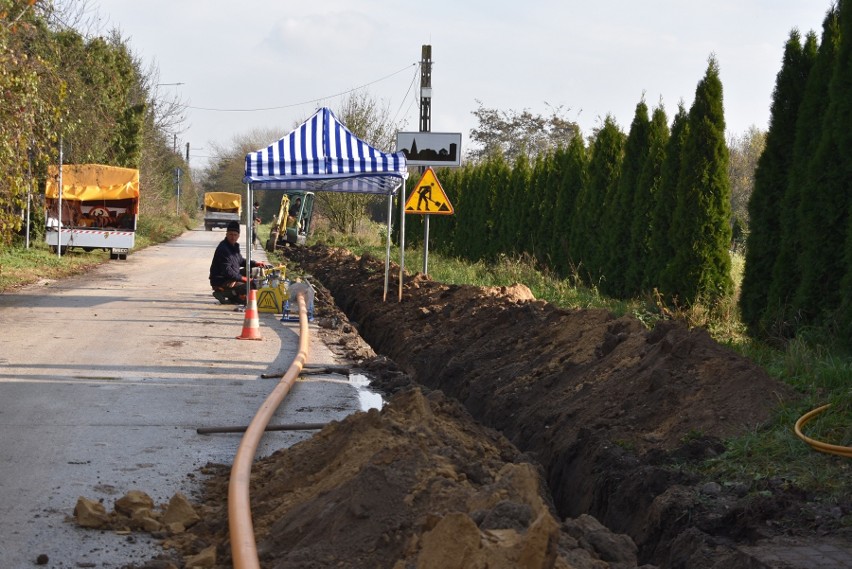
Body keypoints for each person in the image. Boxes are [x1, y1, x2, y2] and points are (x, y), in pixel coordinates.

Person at [209, 220, 268, 305]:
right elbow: (227, 271)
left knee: (253, 270)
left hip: (231, 275)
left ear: (238, 236)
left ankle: (236, 295)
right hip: (221, 279)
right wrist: (244, 279)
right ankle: (224, 294)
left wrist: (256, 263)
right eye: (230, 234)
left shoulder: (234, 246)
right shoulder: (223, 249)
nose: (233, 237)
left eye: (235, 235)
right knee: (250, 286)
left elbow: (240, 261)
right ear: (226, 234)